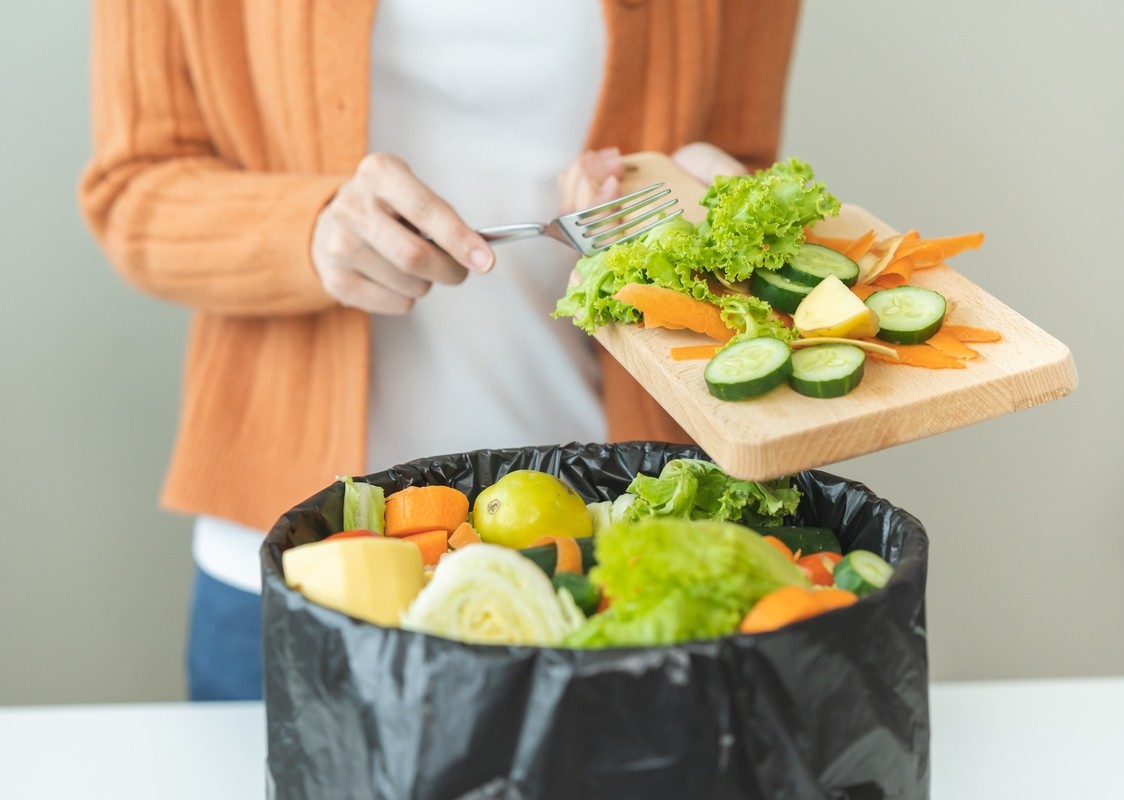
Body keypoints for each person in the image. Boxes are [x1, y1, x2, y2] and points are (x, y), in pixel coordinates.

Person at [79, 0, 803, 701]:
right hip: (305, 560)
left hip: (616, 550)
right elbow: (132, 186)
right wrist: (309, 231)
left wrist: (688, 191)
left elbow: (737, 170)